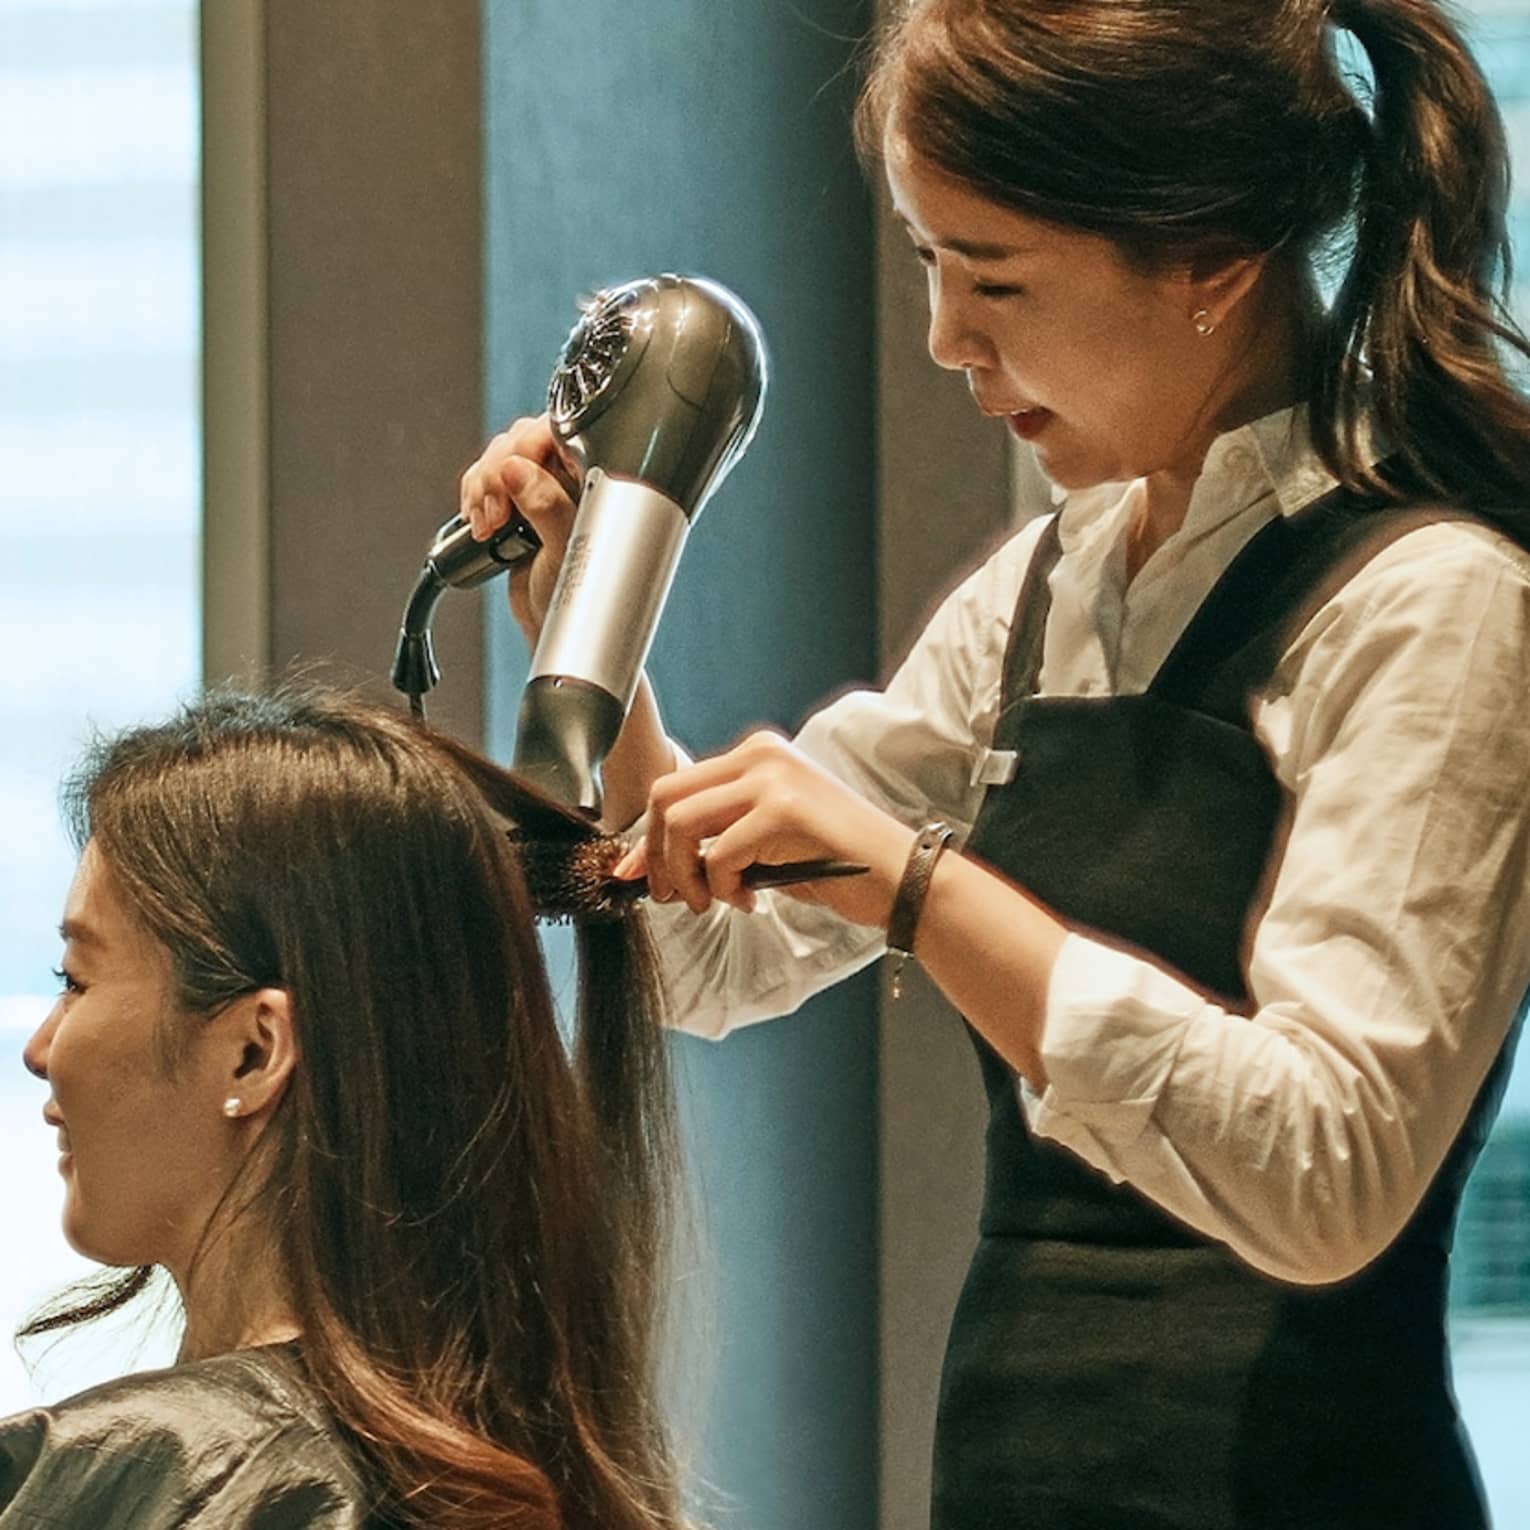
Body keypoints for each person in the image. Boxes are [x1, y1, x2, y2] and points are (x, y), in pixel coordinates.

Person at [461, 1, 1530, 1524]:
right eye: (924, 260)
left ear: (1207, 263)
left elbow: (1327, 1170)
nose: (946, 339)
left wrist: (920, 889)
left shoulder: (1433, 604)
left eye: (994, 276)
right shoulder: (1040, 593)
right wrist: (588, 616)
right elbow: (703, 958)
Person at [8, 686, 689, 1530]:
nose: (43, 1049)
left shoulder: (156, 1480)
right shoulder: (529, 1477)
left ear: (254, 1050)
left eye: (76, 981)